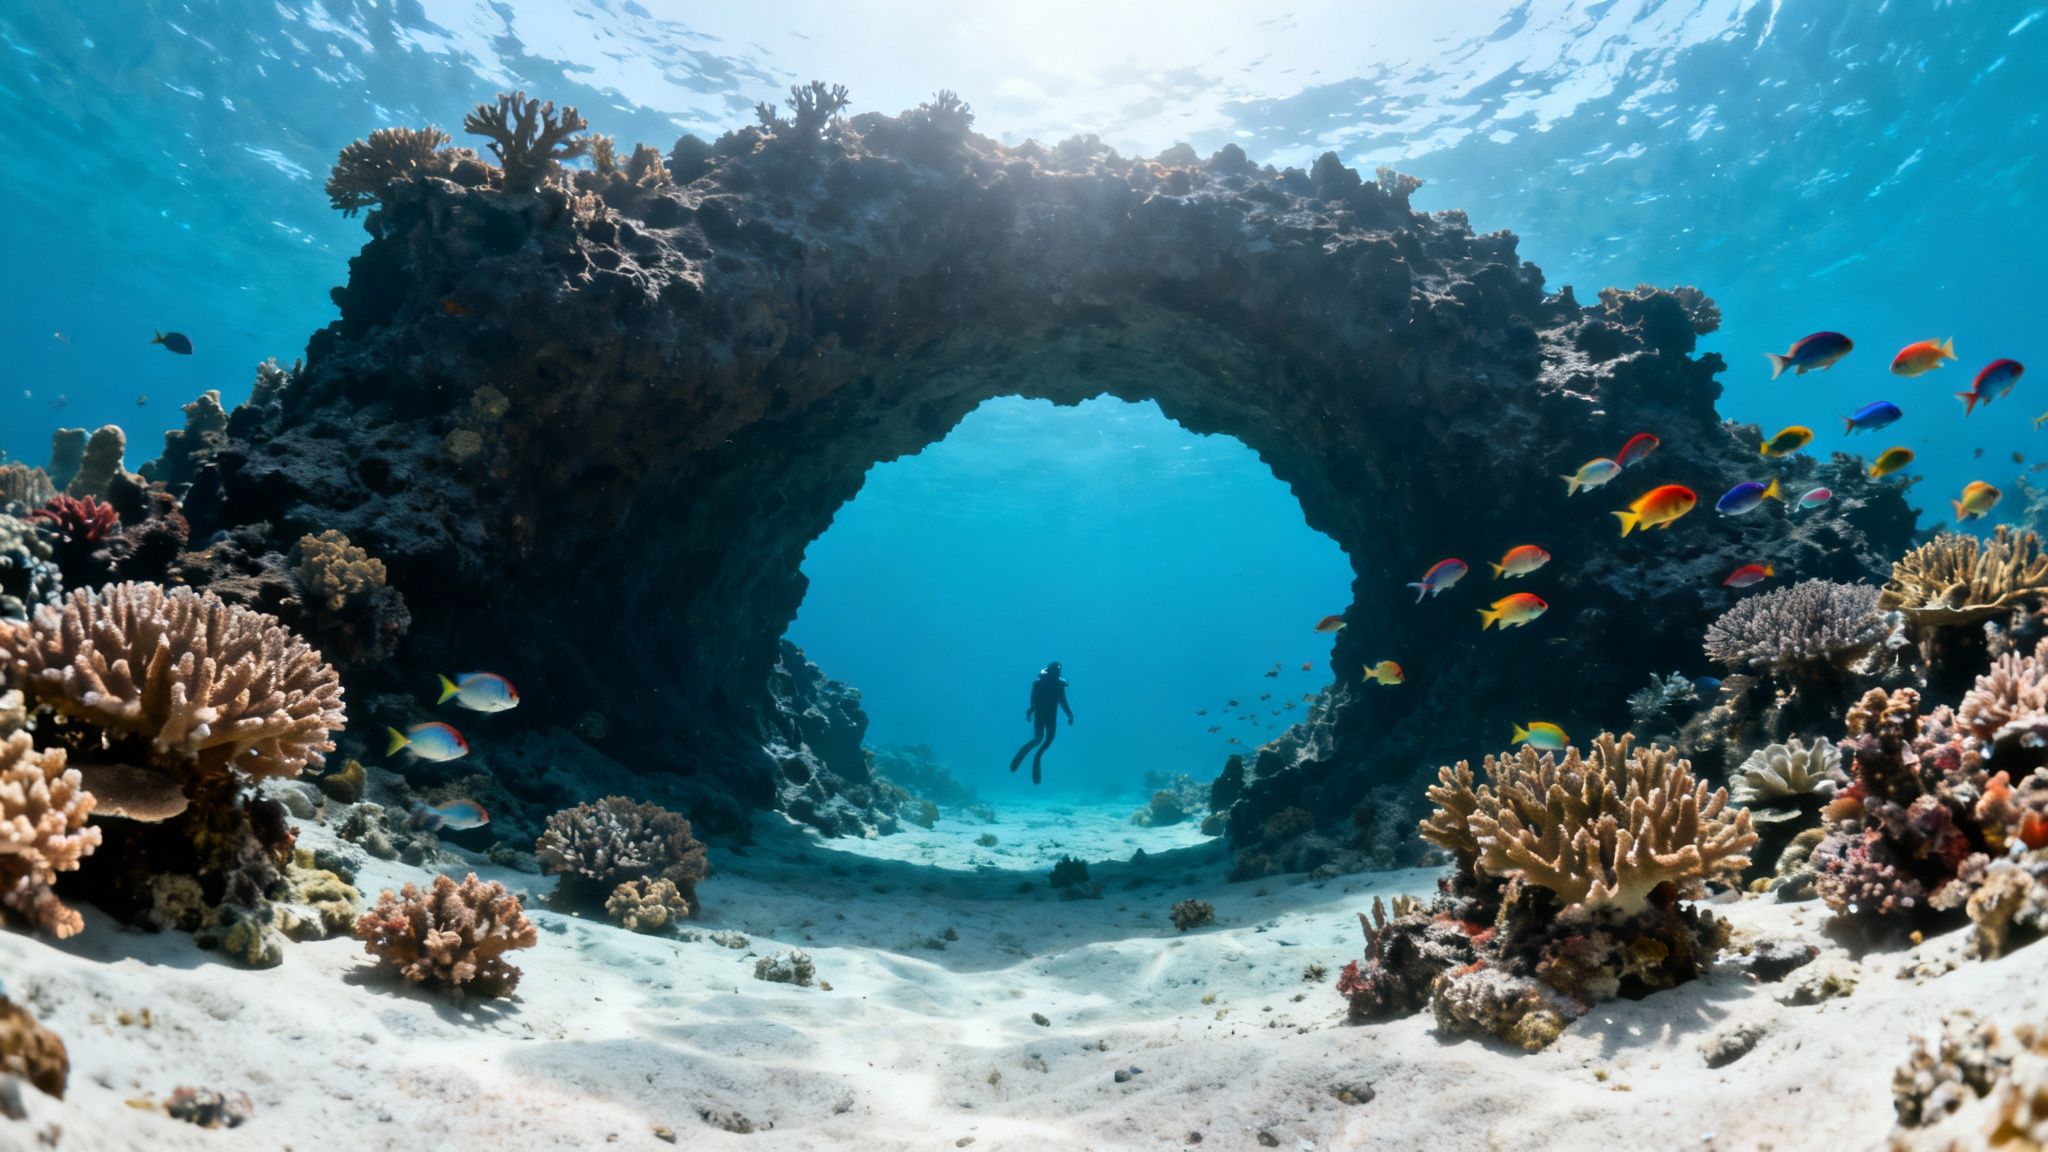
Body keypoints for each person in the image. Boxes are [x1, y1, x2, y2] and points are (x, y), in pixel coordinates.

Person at [1009, 661, 1074, 784]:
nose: (1057, 672)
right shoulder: (1041, 685)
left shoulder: (1056, 686)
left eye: (1058, 671)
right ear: (1050, 671)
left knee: (1043, 740)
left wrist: (1070, 715)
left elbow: (1062, 702)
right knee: (1040, 739)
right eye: (1056, 670)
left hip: (1047, 716)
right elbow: (1035, 701)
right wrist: (1069, 715)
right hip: (1043, 716)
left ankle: (1035, 756)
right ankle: (1032, 756)